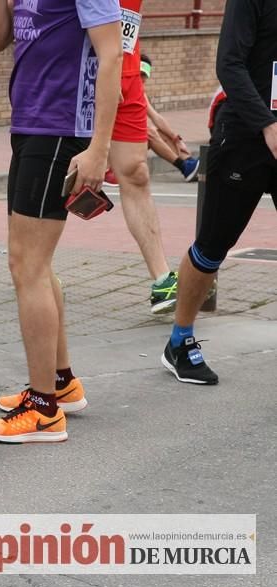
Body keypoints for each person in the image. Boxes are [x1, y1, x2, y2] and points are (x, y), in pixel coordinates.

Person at [0, 0, 122, 443]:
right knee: (36, 262)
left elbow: (112, 53)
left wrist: (99, 147)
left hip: (61, 128)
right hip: (30, 124)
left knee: (27, 266)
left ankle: (43, 411)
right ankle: (60, 383)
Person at [161, 0, 277, 385]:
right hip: (245, 137)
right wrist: (266, 124)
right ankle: (180, 341)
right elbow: (229, 63)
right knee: (213, 246)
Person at [99, 5, 179, 315]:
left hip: (126, 72)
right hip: (75, 72)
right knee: (57, 169)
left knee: (135, 172)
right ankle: (37, 270)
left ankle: (162, 280)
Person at [139, 54, 201, 182]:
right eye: (139, 74)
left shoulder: (140, 92)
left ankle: (189, 163)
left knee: (161, 132)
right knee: (148, 132)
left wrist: (176, 138)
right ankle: (183, 166)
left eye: (144, 75)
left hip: (130, 141)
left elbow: (155, 116)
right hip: (118, 145)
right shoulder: (122, 89)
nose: (142, 79)